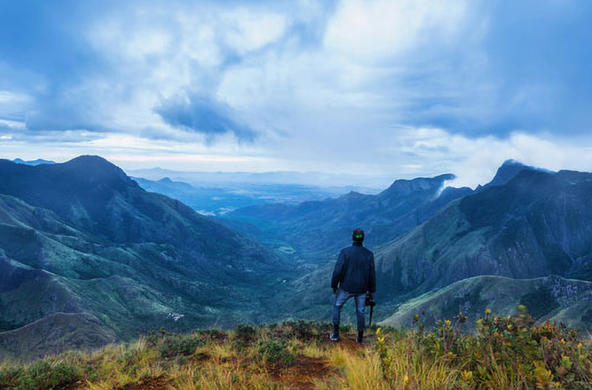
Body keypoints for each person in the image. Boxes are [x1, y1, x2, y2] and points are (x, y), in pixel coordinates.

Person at [330, 228, 376, 344]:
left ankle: (335, 334)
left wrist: (334, 285)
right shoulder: (369, 254)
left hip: (346, 287)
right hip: (361, 289)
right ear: (363, 238)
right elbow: (372, 275)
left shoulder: (345, 252)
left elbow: (337, 271)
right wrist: (371, 291)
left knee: (337, 306)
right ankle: (360, 338)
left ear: (353, 238)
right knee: (360, 312)